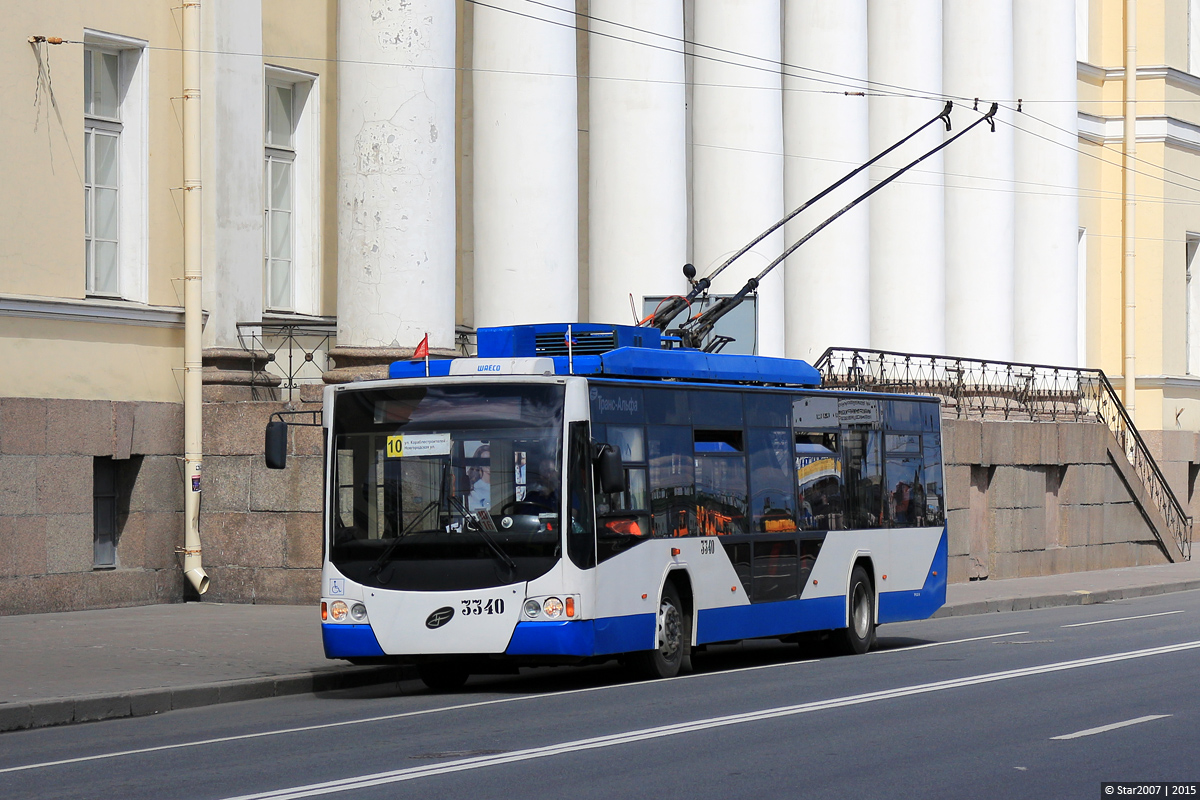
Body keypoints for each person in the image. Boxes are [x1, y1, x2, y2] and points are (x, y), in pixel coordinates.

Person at [467, 444, 490, 511]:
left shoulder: (502, 486)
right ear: (479, 464)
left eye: (490, 460)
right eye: (485, 461)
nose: (488, 465)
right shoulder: (473, 489)